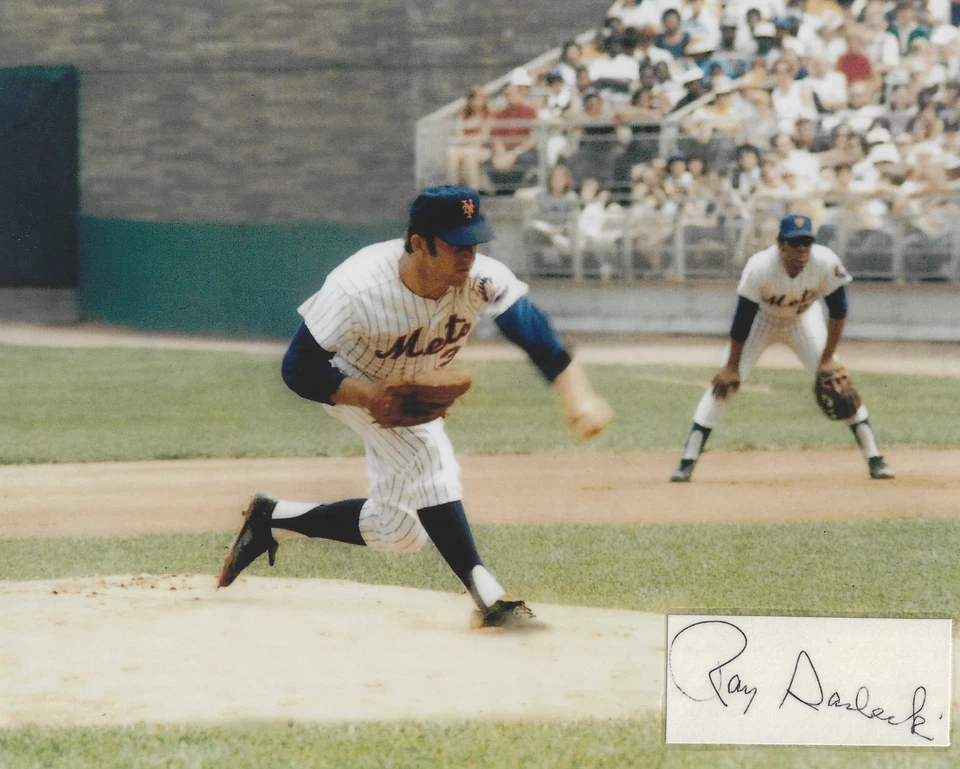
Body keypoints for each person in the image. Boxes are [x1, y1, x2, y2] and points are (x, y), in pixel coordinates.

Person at [216, 185, 614, 628]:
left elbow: (535, 333)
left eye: (474, 243)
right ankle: (490, 599)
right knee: (427, 457)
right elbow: (298, 368)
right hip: (355, 382)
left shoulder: (481, 280)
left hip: (416, 393)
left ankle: (272, 519)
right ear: (419, 243)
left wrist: (577, 395)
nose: (469, 255)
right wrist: (369, 397)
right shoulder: (357, 287)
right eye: (456, 245)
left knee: (399, 531)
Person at [668, 213, 895, 482]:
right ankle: (687, 460)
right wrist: (731, 367)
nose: (801, 249)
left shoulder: (824, 261)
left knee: (838, 384)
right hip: (761, 321)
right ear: (780, 244)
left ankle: (875, 459)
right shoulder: (760, 267)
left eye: (806, 243)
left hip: (803, 321)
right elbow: (742, 320)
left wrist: (827, 359)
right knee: (725, 386)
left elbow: (838, 311)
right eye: (795, 243)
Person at [445, 86, 492, 188]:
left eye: (479, 99)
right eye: (474, 99)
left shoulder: (487, 116)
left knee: (469, 154)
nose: (477, 102)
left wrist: (469, 140)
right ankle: (453, 188)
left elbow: (484, 137)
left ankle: (472, 189)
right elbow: (459, 135)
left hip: (481, 149)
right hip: (465, 147)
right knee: (451, 153)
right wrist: (470, 139)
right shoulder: (463, 116)